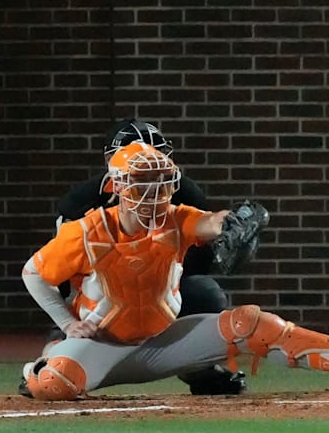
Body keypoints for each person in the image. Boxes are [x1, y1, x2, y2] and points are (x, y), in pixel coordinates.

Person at [19, 141, 329, 400]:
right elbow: (33, 273)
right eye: (142, 184)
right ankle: (45, 359)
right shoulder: (87, 232)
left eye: (161, 184)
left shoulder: (175, 219)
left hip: (163, 343)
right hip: (102, 346)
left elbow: (209, 222)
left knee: (249, 322)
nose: (154, 194)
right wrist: (67, 326)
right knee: (54, 383)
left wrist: (234, 220)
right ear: (117, 188)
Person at [27, 118, 245, 397]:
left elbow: (201, 256)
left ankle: (198, 369)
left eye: (154, 154)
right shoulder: (81, 203)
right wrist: (69, 323)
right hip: (100, 292)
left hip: (164, 289)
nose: (148, 165)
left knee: (206, 293)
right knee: (83, 307)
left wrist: (223, 226)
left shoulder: (184, 193)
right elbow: (56, 271)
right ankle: (49, 364)